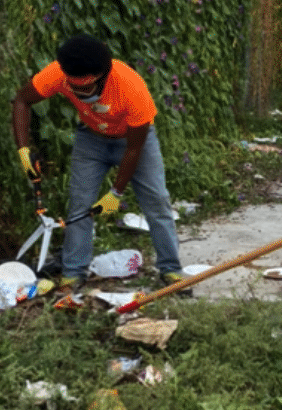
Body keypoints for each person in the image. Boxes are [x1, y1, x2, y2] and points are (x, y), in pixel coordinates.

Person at [11, 34, 186, 289]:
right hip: (91, 139)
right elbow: (22, 100)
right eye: (72, 88)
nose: (76, 93)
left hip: (135, 141)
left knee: (157, 201)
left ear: (100, 78)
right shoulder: (61, 72)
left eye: (84, 89)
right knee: (80, 206)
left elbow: (134, 150)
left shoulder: (131, 88)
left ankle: (171, 269)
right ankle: (73, 273)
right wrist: (23, 150)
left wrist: (115, 193)